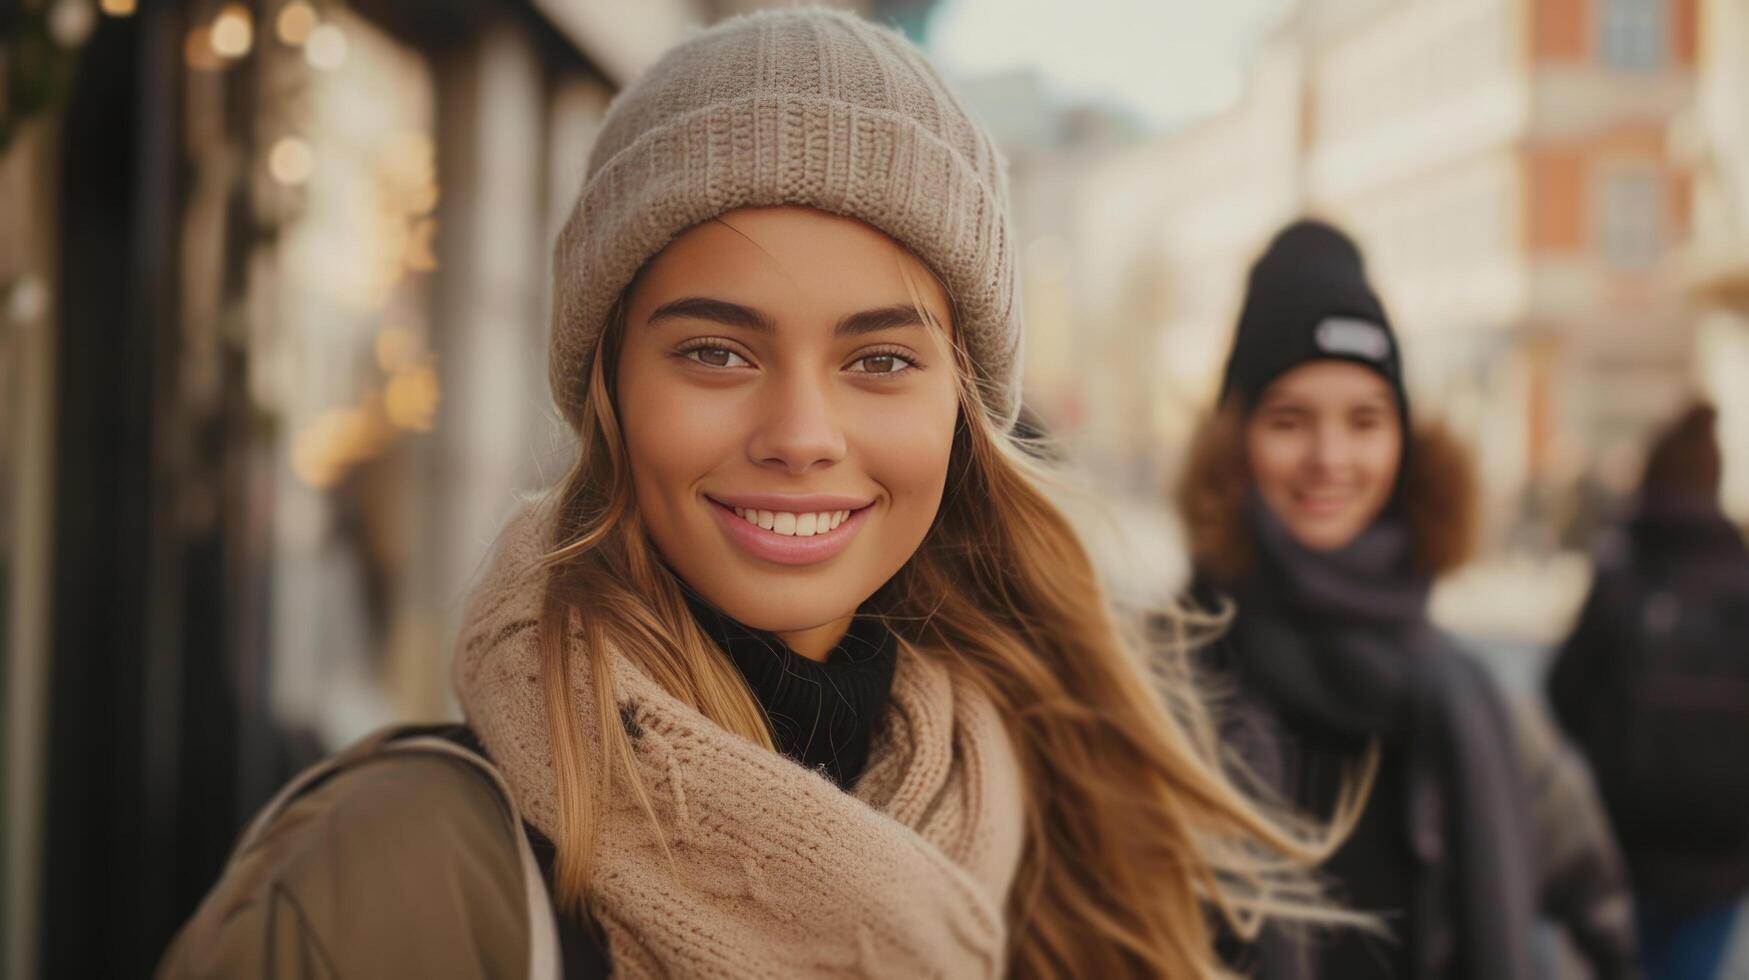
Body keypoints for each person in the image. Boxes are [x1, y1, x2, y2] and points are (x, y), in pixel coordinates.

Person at [160, 11, 1346, 978]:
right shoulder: (397, 877)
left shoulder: (1054, 849)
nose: (799, 436)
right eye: (716, 352)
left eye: (880, 359)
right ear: (606, 384)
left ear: (962, 409)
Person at [1178, 219, 1638, 979]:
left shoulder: (1470, 698)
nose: (1330, 458)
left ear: (1405, 445)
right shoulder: (1153, 690)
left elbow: (1602, 914)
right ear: (1234, 442)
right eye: (1290, 420)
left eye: (1364, 421)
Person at [1549, 402, 1749, 980]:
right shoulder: (1741, 578)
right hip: (1720, 857)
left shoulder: (1621, 576)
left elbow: (1564, 691)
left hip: (1623, 845)